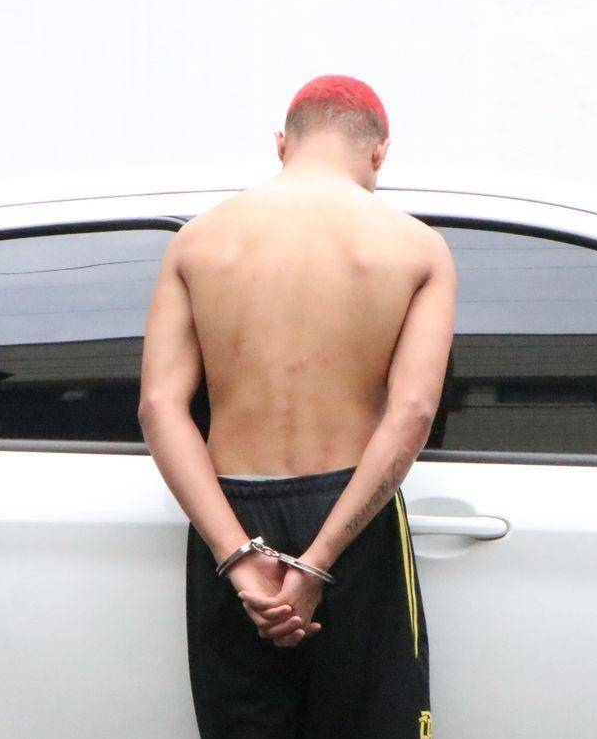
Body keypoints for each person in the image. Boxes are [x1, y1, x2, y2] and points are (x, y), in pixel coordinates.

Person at [139, 75, 456, 739]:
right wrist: (317, 562)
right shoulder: (417, 247)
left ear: (283, 144)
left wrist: (237, 558)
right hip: (351, 513)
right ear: (379, 154)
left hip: (230, 513)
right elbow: (412, 414)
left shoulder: (198, 242)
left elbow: (160, 408)